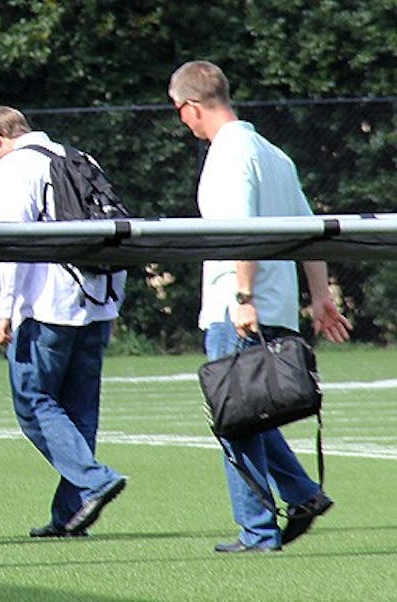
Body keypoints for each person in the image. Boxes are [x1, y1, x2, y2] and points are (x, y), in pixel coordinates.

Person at [169, 60, 351, 553]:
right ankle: (302, 494)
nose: (182, 122)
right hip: (277, 304)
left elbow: (240, 231)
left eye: (179, 112)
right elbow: (311, 229)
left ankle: (258, 531)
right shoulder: (273, 153)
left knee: (235, 419)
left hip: (240, 307)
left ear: (190, 107)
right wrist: (320, 297)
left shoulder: (230, 154)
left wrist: (243, 298)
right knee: (251, 415)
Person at [0, 106, 128, 539]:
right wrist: (112, 303)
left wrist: (3, 309)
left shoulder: (12, 167)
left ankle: (94, 479)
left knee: (33, 402)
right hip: (97, 299)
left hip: (46, 305)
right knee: (80, 408)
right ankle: (71, 513)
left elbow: (11, 243)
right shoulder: (81, 158)